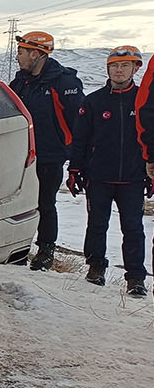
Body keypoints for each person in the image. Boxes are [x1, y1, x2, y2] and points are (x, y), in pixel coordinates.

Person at [67, 46, 148, 296]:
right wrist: (74, 169)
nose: (119, 70)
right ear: (108, 69)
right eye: (114, 66)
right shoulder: (93, 101)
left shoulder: (145, 102)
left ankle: (135, 278)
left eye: (125, 66)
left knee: (133, 228)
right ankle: (95, 268)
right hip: (98, 176)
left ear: (135, 69)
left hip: (133, 178)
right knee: (96, 224)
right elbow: (80, 139)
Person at [9, 31, 83, 271]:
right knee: (19, 204)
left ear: (35, 54)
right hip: (21, 155)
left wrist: (76, 157)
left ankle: (45, 251)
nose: (18, 57)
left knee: (45, 203)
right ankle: (18, 250)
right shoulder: (20, 83)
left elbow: (78, 123)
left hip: (51, 155)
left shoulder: (64, 83)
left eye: (21, 52)